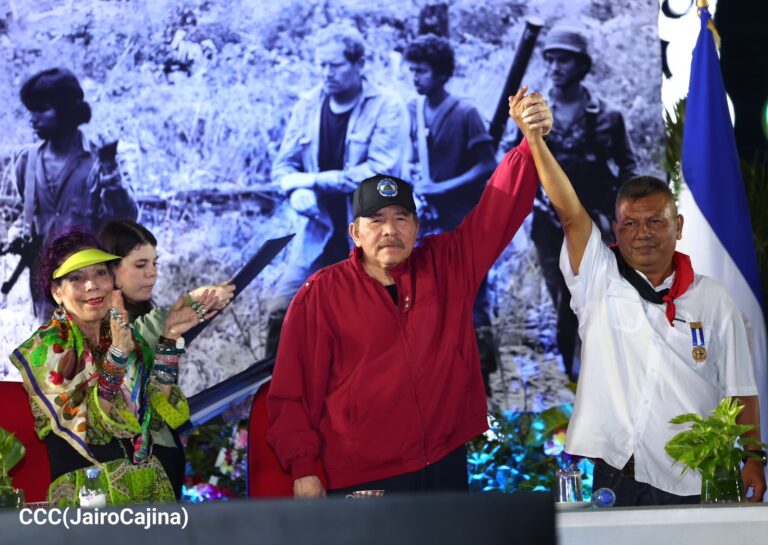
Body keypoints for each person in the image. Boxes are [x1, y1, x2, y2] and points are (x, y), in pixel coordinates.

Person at [267, 88, 552, 496]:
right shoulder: (321, 294)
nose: (390, 230)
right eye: (376, 220)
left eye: (401, 218)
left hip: (443, 462)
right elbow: (292, 390)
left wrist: (529, 144)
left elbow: (499, 207)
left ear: (416, 227)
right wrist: (303, 469)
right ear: (355, 233)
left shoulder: (447, 265)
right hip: (362, 474)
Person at [524, 128, 766, 505]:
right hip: (618, 476)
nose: (642, 234)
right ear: (616, 230)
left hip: (694, 477)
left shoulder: (713, 299)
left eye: (655, 221)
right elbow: (570, 215)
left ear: (678, 226)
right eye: (631, 224)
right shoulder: (598, 278)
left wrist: (753, 458)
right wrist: (535, 141)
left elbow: (740, 388)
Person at [9, 227, 217, 505]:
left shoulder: (126, 336)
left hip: (148, 488)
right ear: (57, 292)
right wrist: (117, 357)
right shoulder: (46, 349)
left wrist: (169, 341)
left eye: (100, 273)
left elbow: (156, 419)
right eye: (76, 278)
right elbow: (91, 429)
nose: (92, 285)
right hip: (88, 496)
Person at [267, 22, 410, 357]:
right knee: (281, 310)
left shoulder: (387, 106)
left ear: (359, 64)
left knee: (370, 328)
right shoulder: (307, 104)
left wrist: (311, 181)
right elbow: (283, 167)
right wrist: (296, 192)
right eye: (321, 64)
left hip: (370, 237)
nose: (326, 73)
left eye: (334, 65)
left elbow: (379, 177)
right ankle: (275, 387)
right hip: (316, 233)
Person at [532, 26, 638, 379]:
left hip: (596, 220)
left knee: (595, 293)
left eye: (564, 59)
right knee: (562, 295)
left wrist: (624, 213)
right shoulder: (532, 114)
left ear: (582, 66)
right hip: (549, 223)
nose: (555, 67)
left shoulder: (607, 116)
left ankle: (594, 364)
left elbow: (628, 165)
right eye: (550, 59)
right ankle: (572, 365)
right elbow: (515, 166)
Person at [404, 34, 499, 391]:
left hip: (464, 220)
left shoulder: (465, 113)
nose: (416, 77)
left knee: (472, 295)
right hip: (430, 222)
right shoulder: (414, 110)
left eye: (423, 71)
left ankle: (482, 378)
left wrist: (443, 187)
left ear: (442, 73)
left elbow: (487, 165)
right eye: (412, 70)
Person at [9, 68, 138, 319]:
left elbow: (126, 218)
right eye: (31, 110)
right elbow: (24, 216)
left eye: (42, 109)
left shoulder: (100, 159)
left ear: (66, 110)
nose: (33, 118)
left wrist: (110, 170)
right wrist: (17, 231)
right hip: (48, 292)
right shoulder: (26, 162)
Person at [98, 220, 234, 348]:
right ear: (110, 269)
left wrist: (202, 305)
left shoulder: (139, 311)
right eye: (140, 265)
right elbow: (132, 341)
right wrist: (193, 299)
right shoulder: (96, 319)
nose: (152, 272)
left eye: (154, 263)